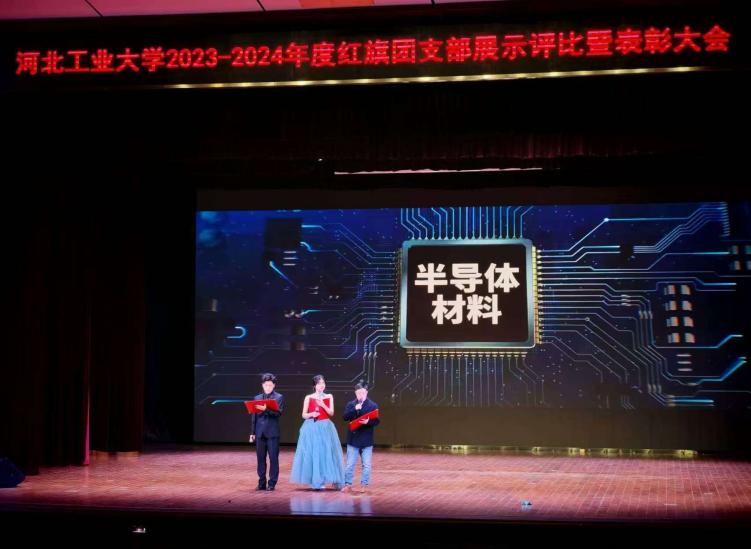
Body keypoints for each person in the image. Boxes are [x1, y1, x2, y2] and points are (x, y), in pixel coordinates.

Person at [290, 375, 345, 490]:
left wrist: (323, 404)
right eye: (319, 383)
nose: (321, 385)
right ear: (314, 386)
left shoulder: (329, 396)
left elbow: (331, 413)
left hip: (326, 427)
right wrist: (311, 414)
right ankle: (316, 481)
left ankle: (325, 479)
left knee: (326, 453)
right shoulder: (309, 397)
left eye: (323, 383)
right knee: (314, 453)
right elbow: (304, 414)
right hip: (312, 427)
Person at [341, 381, 380, 493]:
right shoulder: (351, 404)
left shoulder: (373, 405)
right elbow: (345, 417)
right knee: (350, 464)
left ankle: (364, 484)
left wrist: (368, 421)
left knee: (366, 465)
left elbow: (377, 421)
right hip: (353, 439)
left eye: (362, 392)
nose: (360, 395)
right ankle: (348, 484)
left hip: (366, 439)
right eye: (358, 393)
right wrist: (355, 409)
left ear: (366, 392)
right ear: (355, 393)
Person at [249, 373, 284, 491]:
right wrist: (252, 432)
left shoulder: (278, 397)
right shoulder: (257, 398)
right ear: (262, 385)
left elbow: (278, 413)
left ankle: (272, 483)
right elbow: (254, 416)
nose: (268, 387)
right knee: (260, 459)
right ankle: (261, 483)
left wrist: (266, 409)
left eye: (270, 385)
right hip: (259, 433)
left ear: (274, 385)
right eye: (266, 385)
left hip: (272, 433)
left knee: (273, 459)